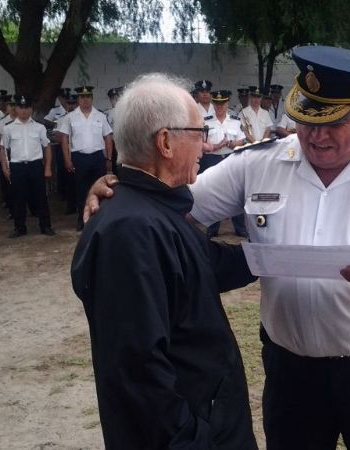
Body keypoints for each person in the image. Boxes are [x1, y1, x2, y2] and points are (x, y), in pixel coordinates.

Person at [86, 45, 350, 450]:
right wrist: (122, 191)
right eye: (307, 121)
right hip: (291, 373)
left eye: (333, 123)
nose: (316, 136)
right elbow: (169, 207)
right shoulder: (257, 164)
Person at [71, 73, 258, 449]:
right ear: (166, 142)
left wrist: (289, 257)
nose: (205, 145)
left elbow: (203, 266)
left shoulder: (155, 211)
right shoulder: (130, 230)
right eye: (199, 133)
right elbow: (138, 368)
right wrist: (192, 438)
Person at [0, 94, 56, 238]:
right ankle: (19, 228)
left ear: (31, 109)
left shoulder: (39, 127)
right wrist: (5, 168)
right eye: (21, 107)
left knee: (41, 197)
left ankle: (45, 226)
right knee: (18, 198)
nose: (24, 110)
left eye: (27, 107)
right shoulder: (8, 128)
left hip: (35, 165)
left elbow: (47, 147)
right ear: (16, 109)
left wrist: (47, 167)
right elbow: (3, 150)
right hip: (17, 167)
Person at [57, 85, 113, 231]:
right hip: (79, 158)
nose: (85, 100)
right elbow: (64, 139)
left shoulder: (100, 116)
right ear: (78, 99)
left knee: (100, 189)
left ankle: (100, 220)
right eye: (82, 97)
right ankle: (82, 220)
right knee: (81, 190)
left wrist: (108, 158)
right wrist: (67, 159)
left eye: (88, 97)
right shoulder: (70, 117)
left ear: (92, 98)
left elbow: (108, 138)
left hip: (97, 157)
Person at [201, 90, 247, 238]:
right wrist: (217, 146)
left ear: (227, 104)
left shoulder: (235, 121)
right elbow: (201, 142)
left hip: (230, 157)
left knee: (235, 192)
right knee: (212, 194)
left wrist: (233, 143)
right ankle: (213, 228)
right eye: (217, 104)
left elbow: (242, 140)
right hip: (212, 159)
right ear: (213, 105)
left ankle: (240, 228)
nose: (220, 107)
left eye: (223, 104)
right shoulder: (206, 122)